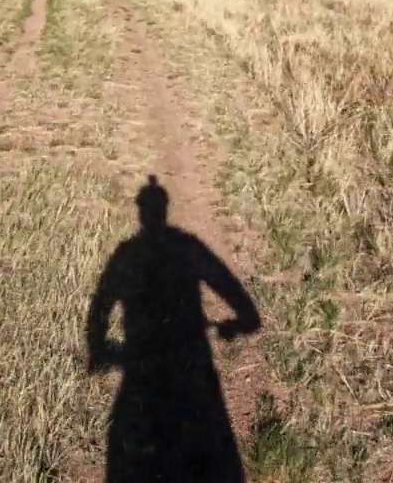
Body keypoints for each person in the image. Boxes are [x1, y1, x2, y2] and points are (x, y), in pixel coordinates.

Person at [85, 174, 262, 482]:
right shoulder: (187, 246)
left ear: (141, 212)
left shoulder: (127, 252)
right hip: (189, 362)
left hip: (141, 364)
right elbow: (227, 285)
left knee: (139, 451)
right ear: (164, 210)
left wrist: (99, 348)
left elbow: (101, 302)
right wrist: (238, 323)